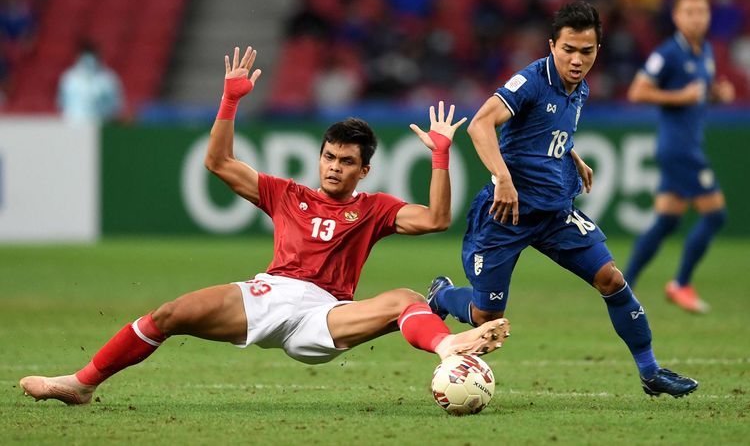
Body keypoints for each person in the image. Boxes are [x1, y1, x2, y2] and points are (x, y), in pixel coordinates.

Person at [20, 46, 510, 405]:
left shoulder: (374, 207)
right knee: (169, 315)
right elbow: (218, 162)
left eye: (345, 161)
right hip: (268, 294)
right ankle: (80, 385)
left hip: (324, 316)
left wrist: (441, 158)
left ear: (364, 170)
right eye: (328, 156)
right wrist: (230, 101)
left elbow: (437, 219)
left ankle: (451, 347)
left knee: (404, 297)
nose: (333, 166)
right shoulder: (286, 195)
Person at [426, 1, 698, 398]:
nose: (576, 60)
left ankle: (650, 371)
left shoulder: (580, 88)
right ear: (552, 45)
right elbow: (481, 124)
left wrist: (571, 154)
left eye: (585, 52)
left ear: (597, 52)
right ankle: (443, 295)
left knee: (611, 279)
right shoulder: (532, 80)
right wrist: (502, 177)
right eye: (568, 49)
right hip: (507, 212)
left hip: (554, 213)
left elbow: (545, 130)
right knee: (487, 316)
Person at [624, 0, 734, 314]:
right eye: (689, 12)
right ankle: (681, 283)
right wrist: (679, 97)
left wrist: (715, 94)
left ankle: (621, 285)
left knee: (667, 222)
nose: (696, 18)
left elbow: (698, 93)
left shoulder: (706, 52)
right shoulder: (667, 53)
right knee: (716, 215)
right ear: (676, 16)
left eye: (701, 12)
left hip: (687, 145)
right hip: (679, 149)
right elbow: (637, 92)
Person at [57, 40, 124, 126]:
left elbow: (116, 107)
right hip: (73, 127)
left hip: (99, 128)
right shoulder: (69, 78)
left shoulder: (108, 79)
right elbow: (62, 103)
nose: (88, 60)